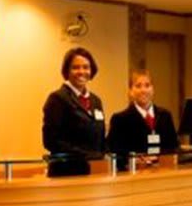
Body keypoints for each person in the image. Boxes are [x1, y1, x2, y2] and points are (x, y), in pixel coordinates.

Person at [42, 47, 106, 177]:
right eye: (76, 67)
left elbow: (100, 137)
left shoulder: (95, 101)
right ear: (67, 71)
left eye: (86, 67)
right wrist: (86, 155)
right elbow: (51, 140)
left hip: (92, 170)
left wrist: (104, 153)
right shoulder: (57, 99)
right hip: (65, 172)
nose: (81, 71)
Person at [107, 69, 179, 170]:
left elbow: (173, 146)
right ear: (130, 91)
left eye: (147, 85)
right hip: (133, 176)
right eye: (138, 86)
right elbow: (114, 153)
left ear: (153, 89)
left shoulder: (165, 116)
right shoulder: (120, 119)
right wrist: (134, 160)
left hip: (163, 173)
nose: (143, 90)